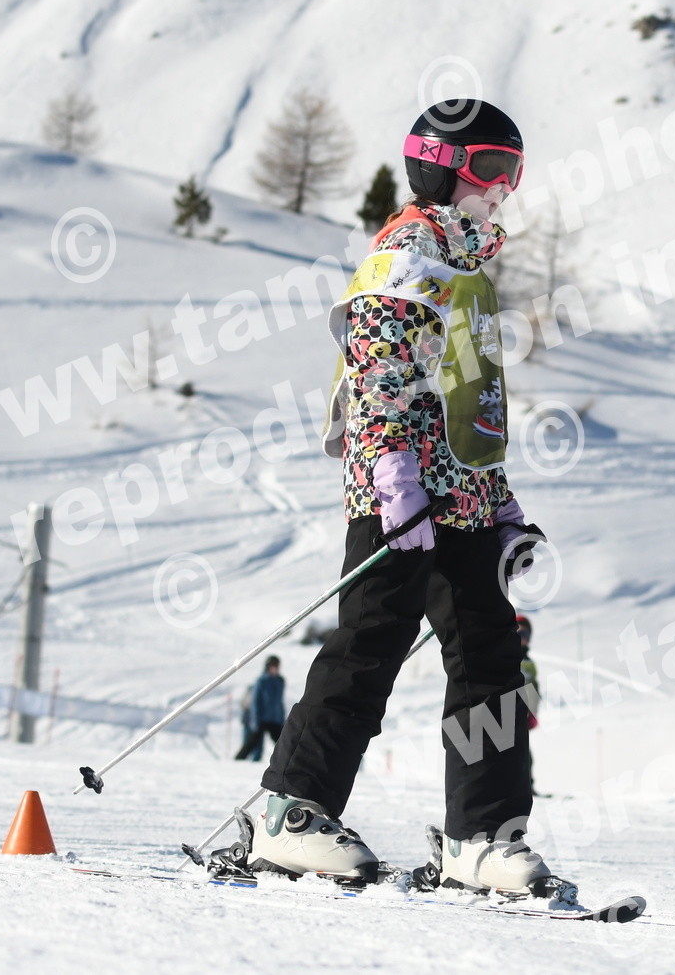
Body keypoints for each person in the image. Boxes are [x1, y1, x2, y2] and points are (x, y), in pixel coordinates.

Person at [250, 99, 559, 899]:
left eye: (513, 172)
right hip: (400, 491)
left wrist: (499, 503)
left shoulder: (466, 266)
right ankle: (292, 812)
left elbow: (468, 399)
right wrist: (394, 473)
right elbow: (379, 363)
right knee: (370, 643)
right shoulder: (410, 248)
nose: (503, 187)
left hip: (459, 495)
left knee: (492, 660)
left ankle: (481, 837)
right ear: (441, 166)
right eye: (490, 168)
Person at [234, 656, 285, 761]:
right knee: (252, 743)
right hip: (261, 719)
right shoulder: (261, 681)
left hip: (274, 719)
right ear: (268, 666)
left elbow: (279, 702)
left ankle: (288, 761)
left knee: (283, 743)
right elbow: (255, 703)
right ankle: (237, 761)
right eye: (273, 665)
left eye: (277, 665)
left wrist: (281, 718)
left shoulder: (280, 681)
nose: (275, 668)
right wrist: (255, 720)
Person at [516, 615, 541, 796]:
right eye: (518, 634)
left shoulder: (529, 664)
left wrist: (532, 712)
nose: (522, 639)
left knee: (524, 752)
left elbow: (533, 688)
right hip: (505, 712)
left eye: (525, 635)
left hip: (522, 713)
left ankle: (526, 786)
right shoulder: (505, 656)